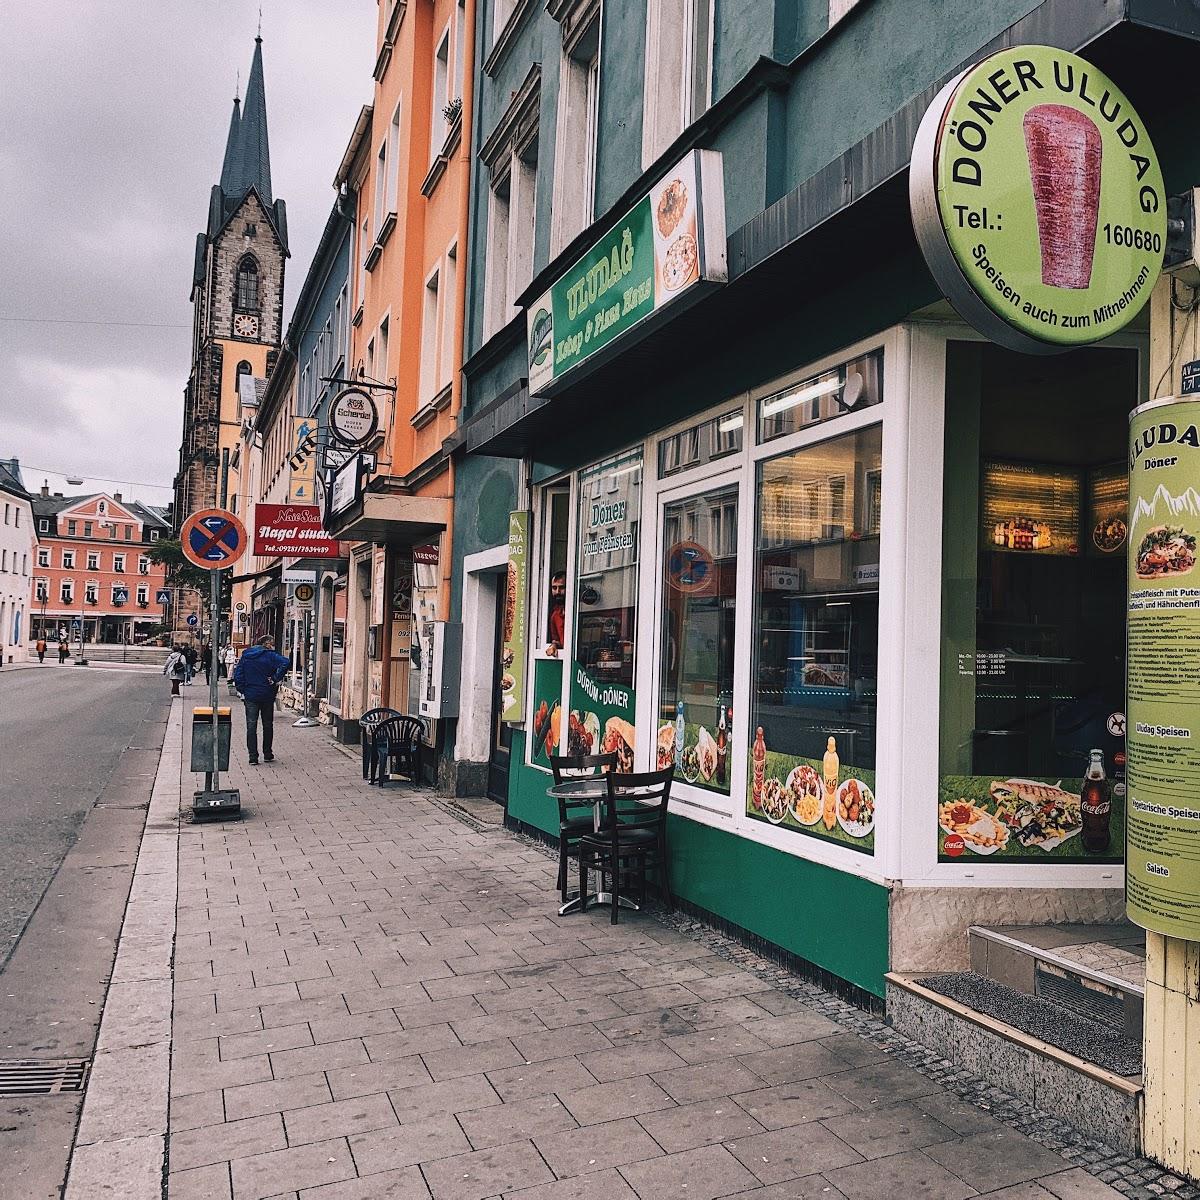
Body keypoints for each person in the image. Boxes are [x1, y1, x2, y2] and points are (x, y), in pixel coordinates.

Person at [232, 634, 290, 765]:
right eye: (272, 643)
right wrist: (275, 678)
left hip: (251, 695)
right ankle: (267, 753)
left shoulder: (246, 656)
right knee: (267, 725)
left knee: (251, 726)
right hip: (267, 694)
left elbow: (238, 675)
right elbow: (286, 662)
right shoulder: (270, 655)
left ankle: (253, 756)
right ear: (267, 643)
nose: (273, 645)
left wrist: (243, 690)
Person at [545, 571, 566, 657]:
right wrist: (554, 646)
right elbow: (557, 640)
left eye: (561, 587)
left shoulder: (578, 610)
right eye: (554, 588)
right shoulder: (555, 615)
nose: (557, 592)